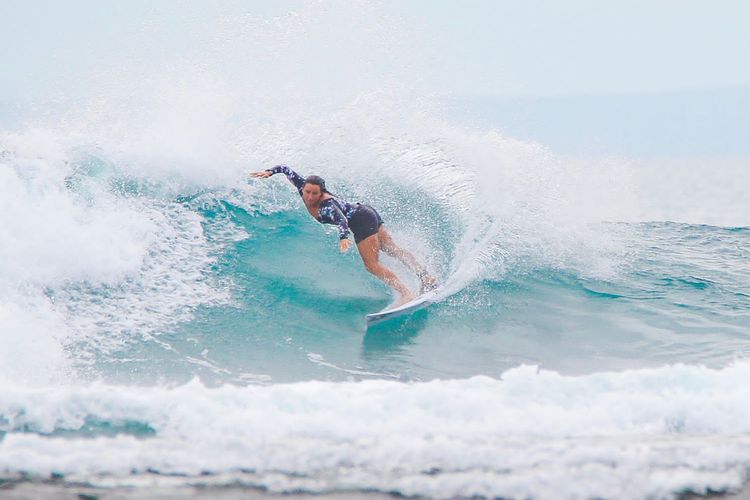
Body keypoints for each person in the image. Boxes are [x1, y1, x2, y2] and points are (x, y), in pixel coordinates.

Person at [250, 165, 437, 305]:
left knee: (371, 265)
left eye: (314, 193)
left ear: (321, 192)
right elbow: (285, 169)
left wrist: (343, 237)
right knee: (391, 249)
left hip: (361, 220)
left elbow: (341, 220)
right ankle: (426, 277)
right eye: (307, 192)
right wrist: (270, 172)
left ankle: (406, 293)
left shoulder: (327, 205)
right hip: (366, 211)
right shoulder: (302, 187)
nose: (309, 197)